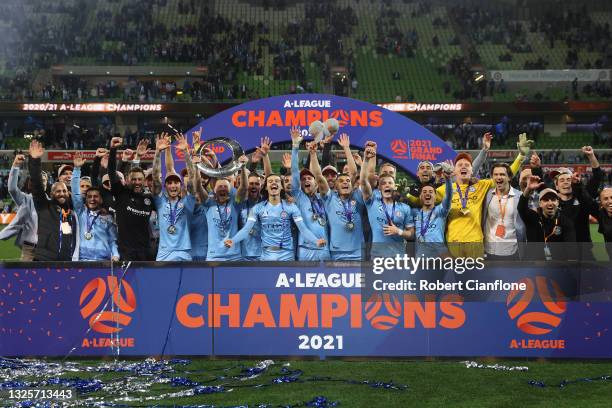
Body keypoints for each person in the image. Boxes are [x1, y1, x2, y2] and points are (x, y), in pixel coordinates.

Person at [225, 174, 325, 261]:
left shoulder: (291, 207)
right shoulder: (257, 208)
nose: (274, 183)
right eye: (270, 181)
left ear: (281, 186)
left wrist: (315, 241)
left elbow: (303, 229)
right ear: (266, 187)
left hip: (287, 256)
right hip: (266, 256)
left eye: (277, 181)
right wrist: (233, 240)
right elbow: (246, 229)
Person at [360, 144, 413, 258]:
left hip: (399, 258)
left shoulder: (404, 206)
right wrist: (366, 159)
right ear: (379, 186)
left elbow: (412, 234)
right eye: (383, 182)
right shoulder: (372, 200)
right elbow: (364, 180)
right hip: (377, 257)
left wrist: (399, 231)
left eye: (390, 182)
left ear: (395, 184)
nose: (387, 184)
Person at [151, 133, 197, 261]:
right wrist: (158, 152)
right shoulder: (160, 201)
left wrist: (186, 153)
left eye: (176, 182)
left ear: (181, 185)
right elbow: (155, 176)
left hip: (183, 252)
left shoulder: (188, 202)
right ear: (165, 186)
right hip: (163, 254)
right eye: (169, 183)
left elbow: (193, 178)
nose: (173, 185)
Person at [27, 140, 77, 261]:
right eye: (58, 191)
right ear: (51, 193)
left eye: (64, 191)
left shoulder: (72, 209)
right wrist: (34, 161)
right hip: (45, 258)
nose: (62, 194)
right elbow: (37, 185)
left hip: (67, 260)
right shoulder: (44, 205)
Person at [108, 136, 154, 261]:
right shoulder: (121, 194)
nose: (137, 182)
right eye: (134, 179)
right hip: (126, 253)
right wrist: (113, 149)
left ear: (144, 181)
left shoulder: (149, 199)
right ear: (128, 180)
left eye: (140, 179)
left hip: (146, 252)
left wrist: (139, 156)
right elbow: (112, 173)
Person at [290, 127, 330, 261]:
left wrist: (316, 153)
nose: (306, 180)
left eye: (309, 178)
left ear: (316, 183)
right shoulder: (299, 197)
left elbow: (320, 174)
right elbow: (295, 172)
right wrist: (295, 146)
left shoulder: (324, 198)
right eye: (303, 179)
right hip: (306, 250)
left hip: (325, 249)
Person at [70, 152, 119, 261]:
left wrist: (115, 255)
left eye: (95, 196)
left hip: (103, 262)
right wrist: (77, 169)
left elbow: (112, 240)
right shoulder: (80, 211)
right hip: (82, 261)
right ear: (86, 199)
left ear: (101, 199)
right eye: (89, 197)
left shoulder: (108, 217)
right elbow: (75, 192)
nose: (92, 199)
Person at [518, 176, 576, 261]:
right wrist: (528, 189)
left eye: (553, 199)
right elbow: (521, 208)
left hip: (556, 266)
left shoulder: (565, 222)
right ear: (540, 204)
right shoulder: (533, 218)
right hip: (533, 265)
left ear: (558, 203)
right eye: (546, 200)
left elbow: (571, 249)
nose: (550, 203)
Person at [0, 153, 42, 260]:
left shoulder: (52, 202)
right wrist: (15, 166)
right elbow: (12, 189)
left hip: (49, 250)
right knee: (26, 276)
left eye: (43, 180)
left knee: (47, 276)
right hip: (29, 250)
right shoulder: (26, 199)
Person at [482, 163, 526, 260]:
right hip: (489, 250)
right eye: (495, 174)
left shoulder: (519, 197)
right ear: (492, 177)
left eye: (502, 174)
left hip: (512, 251)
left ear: (509, 177)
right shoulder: (487, 195)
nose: (498, 177)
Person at [410, 165, 453, 258]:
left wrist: (448, 179)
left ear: (436, 196)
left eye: (431, 192)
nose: (427, 193)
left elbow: (449, 196)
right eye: (424, 192)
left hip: (440, 257)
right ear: (420, 197)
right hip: (420, 259)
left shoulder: (441, 211)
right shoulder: (414, 212)